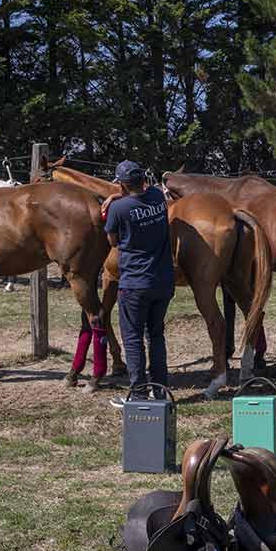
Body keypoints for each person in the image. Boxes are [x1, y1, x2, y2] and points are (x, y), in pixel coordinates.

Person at [101, 160, 175, 407]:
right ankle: (160, 390)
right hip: (163, 280)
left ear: (121, 184)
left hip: (134, 282)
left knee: (132, 338)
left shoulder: (118, 210)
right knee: (156, 335)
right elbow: (148, 190)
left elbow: (112, 240)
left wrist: (113, 201)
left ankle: (139, 394)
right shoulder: (156, 197)